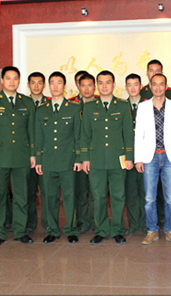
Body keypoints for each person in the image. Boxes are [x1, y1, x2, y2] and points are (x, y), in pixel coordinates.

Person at [0, 66, 36, 248]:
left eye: (15, 78)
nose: (12, 82)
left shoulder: (27, 102)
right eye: (8, 78)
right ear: (2, 81)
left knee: (22, 195)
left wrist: (33, 153)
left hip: (21, 155)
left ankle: (20, 231)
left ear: (19, 81)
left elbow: (31, 130)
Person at [80, 70, 134, 245]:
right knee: (98, 197)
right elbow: (85, 135)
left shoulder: (123, 106)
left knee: (118, 196)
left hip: (118, 160)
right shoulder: (89, 107)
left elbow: (128, 133)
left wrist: (129, 156)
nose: (104, 86)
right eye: (101, 82)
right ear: (97, 85)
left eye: (108, 82)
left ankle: (117, 230)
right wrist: (85, 158)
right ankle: (101, 230)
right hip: (96, 160)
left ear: (114, 85)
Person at [134, 73, 171, 246]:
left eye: (161, 84)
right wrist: (138, 159)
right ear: (150, 86)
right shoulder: (143, 107)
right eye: (154, 84)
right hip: (150, 157)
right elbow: (139, 135)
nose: (158, 87)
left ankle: (170, 230)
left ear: (166, 86)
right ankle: (152, 230)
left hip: (170, 157)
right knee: (149, 198)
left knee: (170, 198)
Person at [34, 72, 82, 244]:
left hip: (68, 161)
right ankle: (52, 230)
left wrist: (78, 158)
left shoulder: (74, 108)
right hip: (48, 161)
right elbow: (38, 137)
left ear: (65, 86)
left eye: (59, 83)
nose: (55, 86)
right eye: (52, 83)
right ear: (48, 86)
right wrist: (39, 160)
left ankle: (70, 229)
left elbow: (78, 136)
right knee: (50, 197)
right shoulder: (41, 110)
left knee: (69, 197)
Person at [69, 73, 98, 234]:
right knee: (80, 192)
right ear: (78, 86)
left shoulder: (100, 103)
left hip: (97, 154)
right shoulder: (71, 105)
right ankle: (83, 222)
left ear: (94, 86)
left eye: (90, 85)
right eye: (83, 85)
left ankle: (97, 221)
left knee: (96, 192)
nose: (86, 89)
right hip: (78, 155)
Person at [26, 72, 49, 235]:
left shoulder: (50, 103)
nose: (36, 86)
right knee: (28, 192)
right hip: (26, 155)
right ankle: (30, 223)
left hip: (45, 155)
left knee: (47, 192)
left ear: (44, 85)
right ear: (28, 84)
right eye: (33, 82)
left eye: (39, 82)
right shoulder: (23, 103)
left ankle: (48, 224)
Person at [124, 73, 146, 235]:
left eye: (136, 84)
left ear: (141, 86)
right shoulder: (121, 106)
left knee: (146, 192)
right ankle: (133, 224)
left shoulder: (148, 105)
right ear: (126, 87)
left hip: (146, 156)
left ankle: (146, 224)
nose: (133, 88)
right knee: (131, 192)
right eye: (129, 84)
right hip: (128, 157)